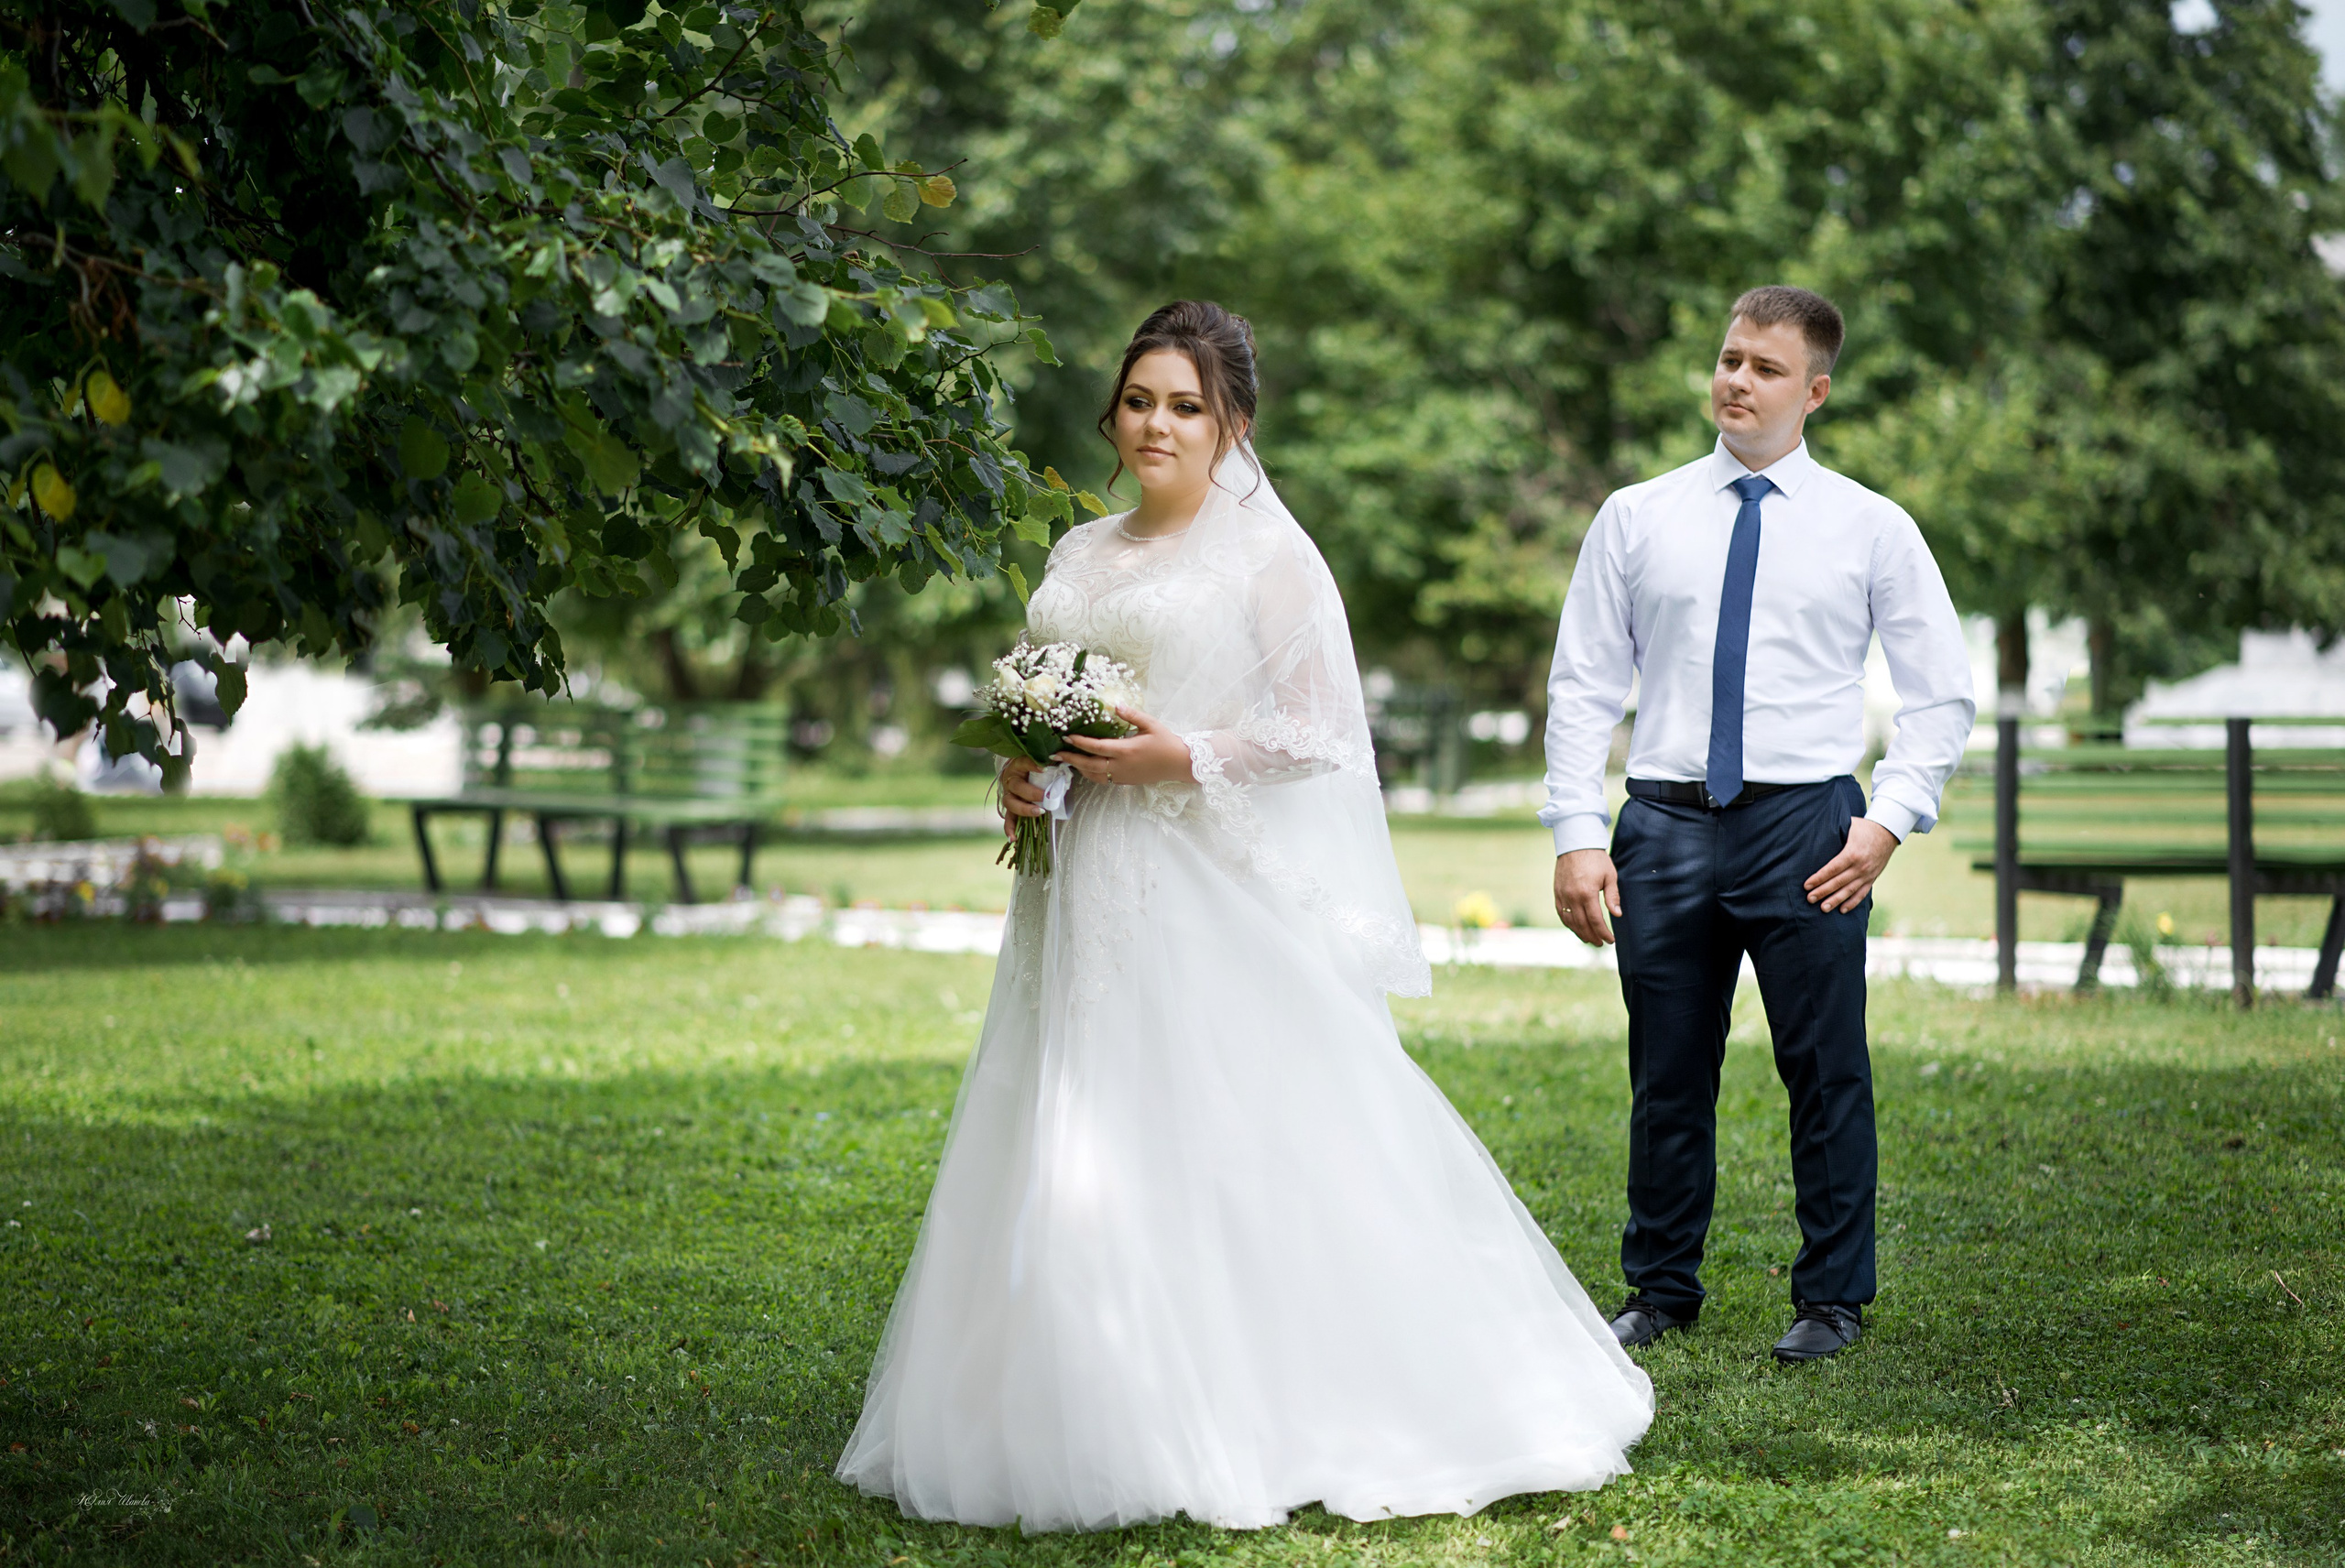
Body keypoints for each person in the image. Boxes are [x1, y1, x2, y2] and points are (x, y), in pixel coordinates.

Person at [837, 300, 1653, 1531]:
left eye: (1185, 406)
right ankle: (1066, 1397)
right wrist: (1023, 771)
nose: (1156, 425)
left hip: (1190, 880)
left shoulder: (1266, 560)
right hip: (1073, 882)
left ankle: (1258, 1398)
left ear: (1233, 426)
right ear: (1113, 414)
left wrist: (1182, 758)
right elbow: (1059, 706)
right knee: (1072, 1119)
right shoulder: (1079, 552)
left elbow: (1321, 733)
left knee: (1211, 1125)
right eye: (1139, 401)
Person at [1541, 286, 1974, 1364]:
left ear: (1813, 391)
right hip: (1664, 826)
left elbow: (1941, 692)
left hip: (1810, 830)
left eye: (1765, 368)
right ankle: (1659, 1288)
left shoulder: (1871, 526)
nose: (1736, 380)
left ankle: (1830, 1299)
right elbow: (1583, 684)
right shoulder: (1636, 516)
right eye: (1730, 359)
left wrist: (1888, 820)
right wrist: (1574, 831)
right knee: (1668, 1070)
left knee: (1826, 1070)